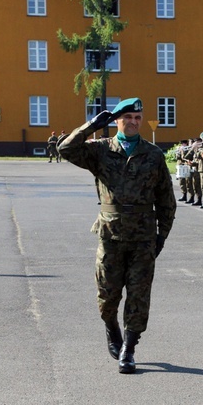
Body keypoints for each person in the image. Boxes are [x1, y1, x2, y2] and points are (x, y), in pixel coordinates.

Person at [57, 97, 176, 374]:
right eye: (128, 117)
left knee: (139, 294)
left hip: (144, 236)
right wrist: (90, 126)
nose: (133, 122)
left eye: (138, 117)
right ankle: (111, 328)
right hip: (110, 234)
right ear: (117, 120)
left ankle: (129, 349)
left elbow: (166, 199)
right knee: (108, 293)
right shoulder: (100, 150)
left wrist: (162, 235)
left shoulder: (154, 154)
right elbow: (65, 149)